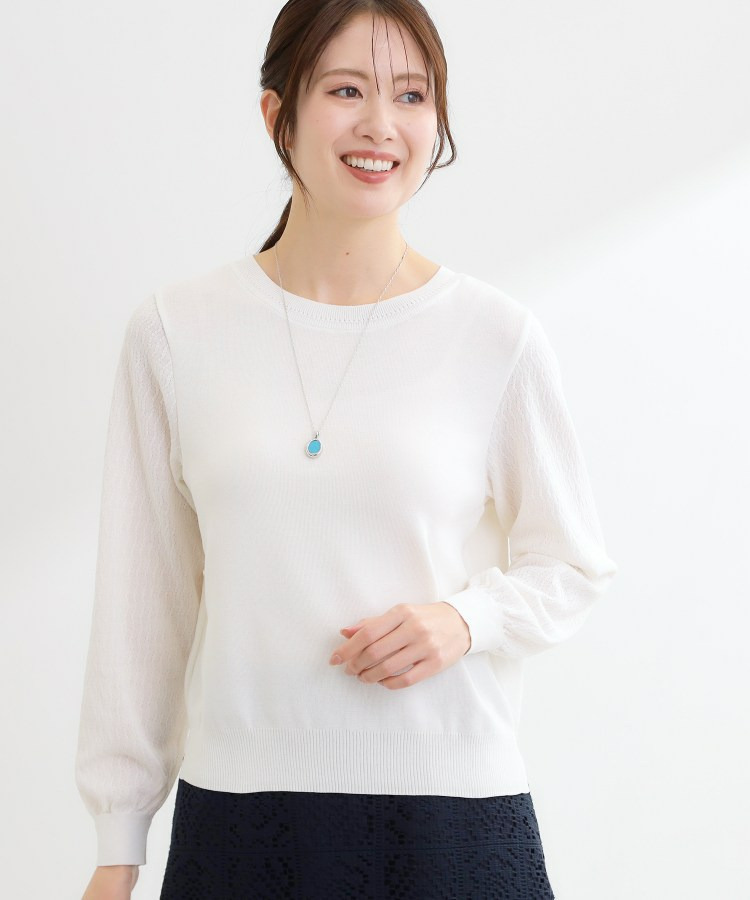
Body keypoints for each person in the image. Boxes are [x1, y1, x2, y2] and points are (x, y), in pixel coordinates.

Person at [76, 1, 618, 897]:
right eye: (345, 90)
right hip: (242, 824)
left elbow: (574, 564)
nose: (380, 125)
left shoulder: (495, 337)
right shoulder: (176, 332)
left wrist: (466, 620)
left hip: (452, 822)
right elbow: (144, 601)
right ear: (277, 114)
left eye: (411, 95)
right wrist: (117, 840)